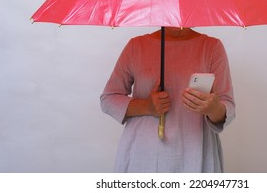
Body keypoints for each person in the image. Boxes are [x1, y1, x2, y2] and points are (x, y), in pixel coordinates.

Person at [100, 27, 235, 172]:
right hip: (143, 155)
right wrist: (147, 106)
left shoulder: (212, 47)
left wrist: (213, 108)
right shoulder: (136, 46)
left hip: (195, 154)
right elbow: (108, 99)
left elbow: (228, 105)